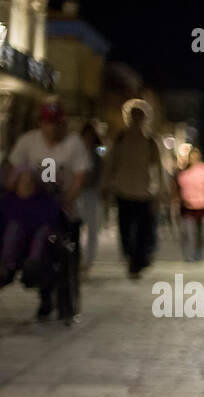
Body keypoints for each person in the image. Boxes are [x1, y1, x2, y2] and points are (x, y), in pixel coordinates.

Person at [3, 100, 90, 316]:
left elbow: (80, 177)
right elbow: (13, 171)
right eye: (47, 123)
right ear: (41, 123)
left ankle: (59, 301)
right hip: (29, 207)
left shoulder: (73, 144)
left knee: (58, 249)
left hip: (63, 210)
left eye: (56, 123)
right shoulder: (28, 141)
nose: (51, 128)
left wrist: (64, 200)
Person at [103, 102, 163, 279]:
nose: (137, 119)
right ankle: (130, 256)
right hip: (123, 190)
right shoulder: (120, 138)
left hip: (144, 192)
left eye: (140, 115)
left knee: (143, 230)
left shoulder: (151, 141)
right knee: (125, 228)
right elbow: (110, 164)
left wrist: (159, 192)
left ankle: (137, 262)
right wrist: (105, 185)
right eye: (134, 115)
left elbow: (158, 169)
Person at [0, 169, 60, 288]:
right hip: (11, 244)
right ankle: (6, 265)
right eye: (23, 182)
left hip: (40, 247)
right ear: (17, 184)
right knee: (14, 228)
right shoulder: (7, 201)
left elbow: (53, 223)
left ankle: (33, 266)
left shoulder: (45, 201)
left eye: (30, 182)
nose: (27, 185)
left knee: (43, 231)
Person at [176, 148, 204, 261]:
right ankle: (188, 254)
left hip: (202, 206)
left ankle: (199, 253)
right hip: (186, 206)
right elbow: (177, 188)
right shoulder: (183, 170)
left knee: (201, 232)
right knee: (187, 232)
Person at [78, 122, 104, 272]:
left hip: (92, 193)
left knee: (92, 228)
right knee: (77, 226)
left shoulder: (98, 152)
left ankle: (89, 261)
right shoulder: (77, 152)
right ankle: (80, 259)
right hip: (79, 192)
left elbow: (103, 170)